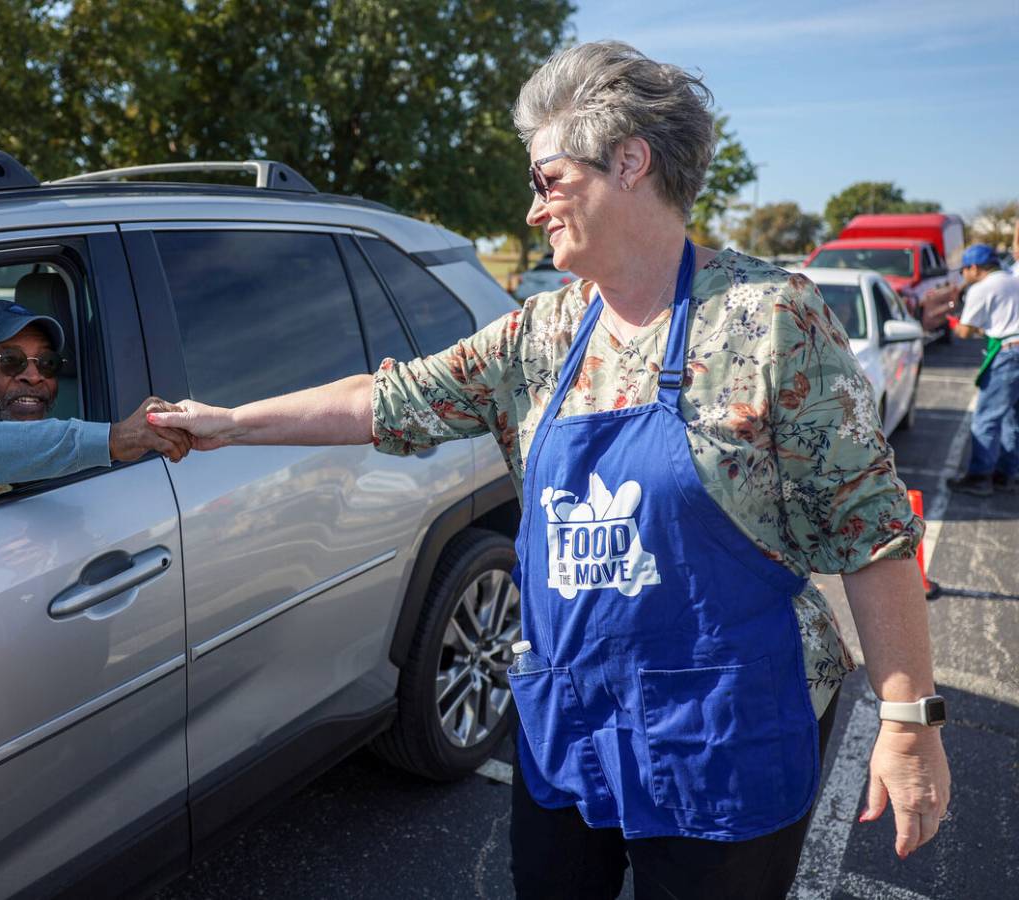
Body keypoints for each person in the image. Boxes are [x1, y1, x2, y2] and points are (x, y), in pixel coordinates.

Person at [149, 41, 950, 900]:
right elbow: (383, 400)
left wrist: (908, 722)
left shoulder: (769, 318)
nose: (533, 211)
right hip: (572, 719)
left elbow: (871, 531)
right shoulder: (541, 334)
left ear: (630, 163)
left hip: (726, 728)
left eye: (547, 179)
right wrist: (229, 425)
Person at [0, 299, 189, 517]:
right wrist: (112, 439)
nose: (35, 376)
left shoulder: (69, 429)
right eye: (10, 361)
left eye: (48, 362)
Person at [947, 243, 1019, 496]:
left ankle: (979, 478)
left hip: (1008, 354)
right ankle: (1007, 475)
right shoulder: (1013, 279)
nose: (963, 275)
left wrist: (953, 322)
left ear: (975, 268)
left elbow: (965, 332)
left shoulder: (982, 288)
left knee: (986, 419)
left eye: (964, 270)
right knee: (1012, 418)